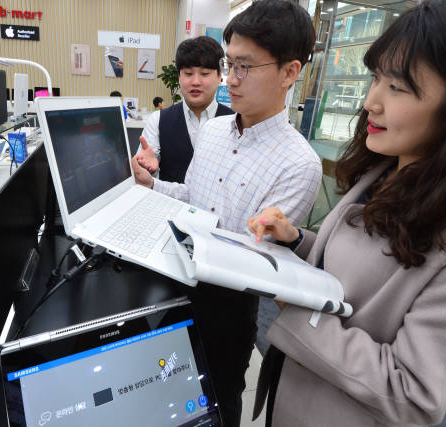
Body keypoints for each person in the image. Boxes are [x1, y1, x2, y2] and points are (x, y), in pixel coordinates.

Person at [248, 1, 446, 426]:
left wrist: (296, 308)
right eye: (375, 78)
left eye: (399, 87)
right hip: (294, 397)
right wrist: (296, 240)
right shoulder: (388, 169)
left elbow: (413, 392)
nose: (371, 101)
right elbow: (362, 274)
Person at [133, 2, 321, 425]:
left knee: (217, 402)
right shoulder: (216, 130)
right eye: (229, 64)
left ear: (290, 72)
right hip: (169, 282)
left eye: (245, 68)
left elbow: (257, 263)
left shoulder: (298, 163)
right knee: (162, 399)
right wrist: (153, 186)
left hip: (224, 311)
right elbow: (193, 198)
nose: (230, 81)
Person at [134, 36, 233, 183]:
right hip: (170, 204)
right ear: (179, 77)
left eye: (205, 74)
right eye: (188, 73)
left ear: (219, 76)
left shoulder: (236, 121)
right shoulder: (159, 120)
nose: (195, 82)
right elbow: (143, 175)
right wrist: (149, 170)